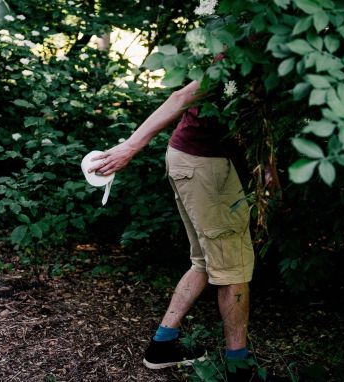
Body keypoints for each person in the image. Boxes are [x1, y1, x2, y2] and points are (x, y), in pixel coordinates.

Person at [88, 74, 258, 375]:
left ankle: (163, 345)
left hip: (192, 159)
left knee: (205, 262)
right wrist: (130, 145)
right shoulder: (245, 47)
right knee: (234, 270)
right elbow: (181, 97)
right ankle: (240, 369)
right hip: (204, 163)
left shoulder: (256, 43)